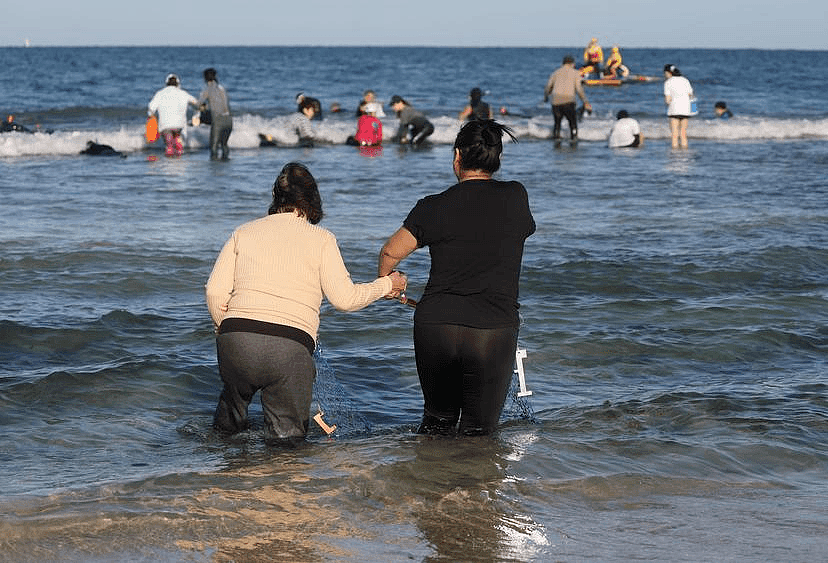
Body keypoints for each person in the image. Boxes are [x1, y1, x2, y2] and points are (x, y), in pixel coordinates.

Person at [206, 162, 407, 444]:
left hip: (235, 339)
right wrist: (388, 284)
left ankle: (219, 480)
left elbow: (215, 292)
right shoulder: (322, 239)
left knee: (225, 429)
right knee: (285, 444)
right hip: (289, 347)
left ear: (276, 197)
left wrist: (225, 330)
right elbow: (344, 299)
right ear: (313, 199)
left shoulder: (244, 232)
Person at [378, 119, 536, 436]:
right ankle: (472, 486)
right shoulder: (516, 197)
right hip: (491, 328)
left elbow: (390, 253)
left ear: (457, 157)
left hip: (436, 325)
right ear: (499, 159)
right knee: (480, 431)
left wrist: (390, 284)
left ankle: (429, 484)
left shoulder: (432, 206)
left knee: (437, 423)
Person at [148, 74, 199, 157]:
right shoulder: (183, 93)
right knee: (177, 140)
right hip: (179, 125)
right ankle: (178, 157)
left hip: (165, 125)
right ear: (178, 84)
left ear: (166, 83)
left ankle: (169, 162)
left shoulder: (160, 93)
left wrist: (151, 115)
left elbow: (151, 108)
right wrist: (197, 114)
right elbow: (196, 103)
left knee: (169, 145)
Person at [544, 55, 592, 141]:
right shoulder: (576, 73)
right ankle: (574, 140)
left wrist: (546, 97)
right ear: (572, 64)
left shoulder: (555, 72)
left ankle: (556, 140)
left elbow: (548, 87)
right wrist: (585, 101)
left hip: (556, 101)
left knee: (557, 123)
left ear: (563, 63)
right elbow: (579, 89)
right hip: (569, 101)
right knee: (572, 123)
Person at [197, 68, 233, 160]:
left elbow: (199, 103)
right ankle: (226, 165)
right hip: (229, 120)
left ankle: (214, 168)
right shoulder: (222, 88)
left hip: (218, 120)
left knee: (214, 147)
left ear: (205, 78)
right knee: (224, 144)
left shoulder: (207, 89)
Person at [663, 64, 695, 148]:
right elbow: (691, 95)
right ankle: (684, 152)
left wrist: (668, 103)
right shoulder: (685, 80)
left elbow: (667, 100)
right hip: (686, 109)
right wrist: (693, 109)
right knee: (683, 133)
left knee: (674, 134)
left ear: (668, 72)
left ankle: (675, 153)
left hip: (674, 109)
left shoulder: (668, 82)